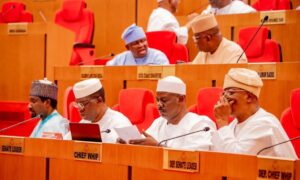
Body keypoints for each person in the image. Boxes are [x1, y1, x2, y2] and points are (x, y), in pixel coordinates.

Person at [212, 68, 298, 159]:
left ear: (249, 97)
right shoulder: (234, 124)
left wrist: (222, 121)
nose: (224, 99)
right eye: (223, 93)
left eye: (230, 92)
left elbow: (236, 161)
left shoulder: (264, 124)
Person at [129, 76, 216, 150]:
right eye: (157, 100)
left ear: (181, 99)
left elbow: (195, 159)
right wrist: (127, 143)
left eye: (164, 100)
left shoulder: (200, 125)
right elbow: (141, 144)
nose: (159, 105)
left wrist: (158, 147)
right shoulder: (159, 122)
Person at [64, 78, 132, 143]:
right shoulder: (84, 123)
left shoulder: (121, 123)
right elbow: (65, 143)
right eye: (78, 104)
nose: (80, 109)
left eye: (83, 104)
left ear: (99, 100)